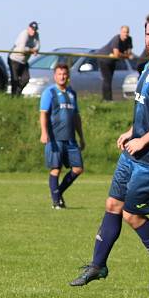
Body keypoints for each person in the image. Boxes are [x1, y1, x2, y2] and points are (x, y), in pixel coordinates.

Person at [70, 11, 149, 293]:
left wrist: (143, 141)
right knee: (112, 205)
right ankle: (98, 265)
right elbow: (148, 109)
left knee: (132, 215)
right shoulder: (148, 67)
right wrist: (132, 131)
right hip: (133, 153)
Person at [39, 63, 85, 209]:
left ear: (68, 76)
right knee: (56, 169)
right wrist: (44, 132)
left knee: (78, 168)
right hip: (55, 138)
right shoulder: (49, 92)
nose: (62, 77)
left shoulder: (72, 93)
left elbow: (76, 116)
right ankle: (56, 201)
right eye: (59, 74)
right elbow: (43, 113)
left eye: (64, 74)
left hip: (71, 139)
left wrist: (81, 137)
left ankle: (57, 193)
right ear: (55, 76)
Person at [97, 25, 133, 101]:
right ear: (120, 32)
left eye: (127, 32)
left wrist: (122, 55)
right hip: (104, 58)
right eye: (124, 32)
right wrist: (125, 55)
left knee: (109, 79)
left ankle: (107, 99)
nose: (125, 34)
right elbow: (118, 54)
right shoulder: (116, 39)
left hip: (112, 61)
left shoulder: (129, 39)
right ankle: (107, 99)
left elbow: (129, 53)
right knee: (107, 79)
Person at [8, 21, 40, 96]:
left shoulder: (36, 35)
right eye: (32, 29)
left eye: (35, 29)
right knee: (15, 80)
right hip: (14, 59)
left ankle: (17, 93)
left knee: (26, 79)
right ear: (28, 28)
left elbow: (38, 47)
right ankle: (13, 97)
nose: (33, 31)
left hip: (24, 61)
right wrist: (32, 50)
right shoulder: (24, 34)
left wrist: (32, 50)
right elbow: (22, 49)